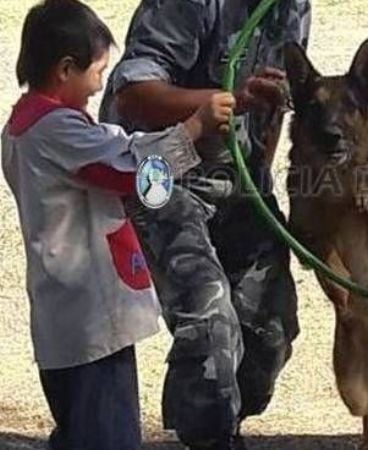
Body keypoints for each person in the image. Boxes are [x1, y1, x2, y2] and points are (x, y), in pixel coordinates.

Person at [1, 1, 234, 449]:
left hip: (65, 321)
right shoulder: (57, 132)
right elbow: (128, 169)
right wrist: (193, 129)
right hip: (91, 323)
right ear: (66, 69)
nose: (100, 85)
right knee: (107, 436)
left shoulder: (28, 125)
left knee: (80, 433)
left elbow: (117, 142)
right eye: (98, 71)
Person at [99, 1, 311, 448]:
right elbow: (133, 95)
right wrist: (226, 102)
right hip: (162, 173)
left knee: (269, 328)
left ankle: (219, 417)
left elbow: (273, 109)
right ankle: (210, 436)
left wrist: (259, 178)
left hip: (235, 177)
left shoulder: (293, 6)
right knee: (210, 318)